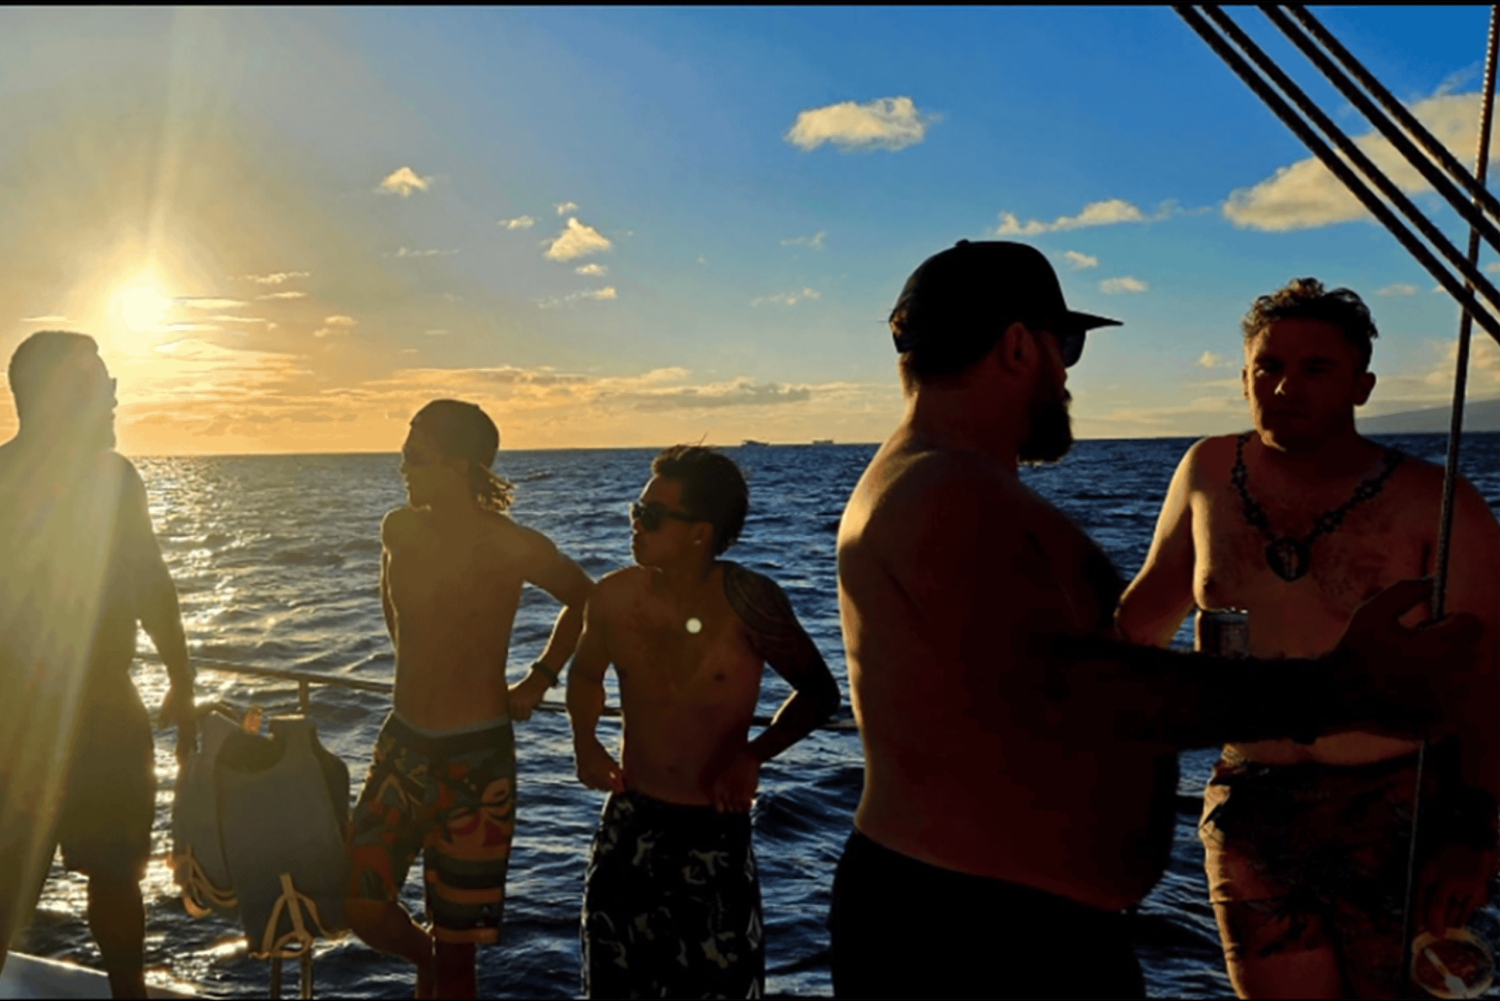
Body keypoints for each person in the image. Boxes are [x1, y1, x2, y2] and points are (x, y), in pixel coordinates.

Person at [829, 242, 1481, 999]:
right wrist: (1337, 686)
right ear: (1016, 346)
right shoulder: (949, 496)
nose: (1067, 372)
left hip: (992, 920)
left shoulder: (939, 486)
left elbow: (1075, 664)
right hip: (975, 938)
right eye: (1063, 345)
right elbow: (1077, 690)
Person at [1116, 278, 1500, 999]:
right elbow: (1139, 624)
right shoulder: (1204, 473)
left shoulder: (1438, 501)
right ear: (1243, 376)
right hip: (1251, 808)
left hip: (1399, 809)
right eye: (1268, 366)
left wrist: (1475, 829)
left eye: (1316, 368)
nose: (1285, 385)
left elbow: (1487, 676)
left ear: (1362, 385)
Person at [567, 445, 840, 999]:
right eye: (634, 512)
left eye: (651, 516)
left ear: (699, 532)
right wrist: (584, 743)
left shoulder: (751, 601)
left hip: (713, 832)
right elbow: (585, 675)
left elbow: (819, 693)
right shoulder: (612, 597)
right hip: (629, 825)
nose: (636, 526)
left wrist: (752, 755)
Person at [344, 399, 593, 1000]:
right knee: (358, 902)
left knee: (460, 952)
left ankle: (439, 962)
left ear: (459, 464)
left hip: (476, 763)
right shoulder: (397, 529)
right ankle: (422, 957)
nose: (402, 465)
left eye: (416, 454)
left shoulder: (510, 543)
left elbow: (586, 600)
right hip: (400, 745)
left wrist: (539, 679)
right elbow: (392, 602)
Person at [0, 331, 194, 999]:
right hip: (86, 715)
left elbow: (150, 583)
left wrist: (181, 676)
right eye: (101, 388)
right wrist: (182, 679)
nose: (114, 400)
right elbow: (152, 584)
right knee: (111, 878)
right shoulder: (113, 480)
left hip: (36, 717)